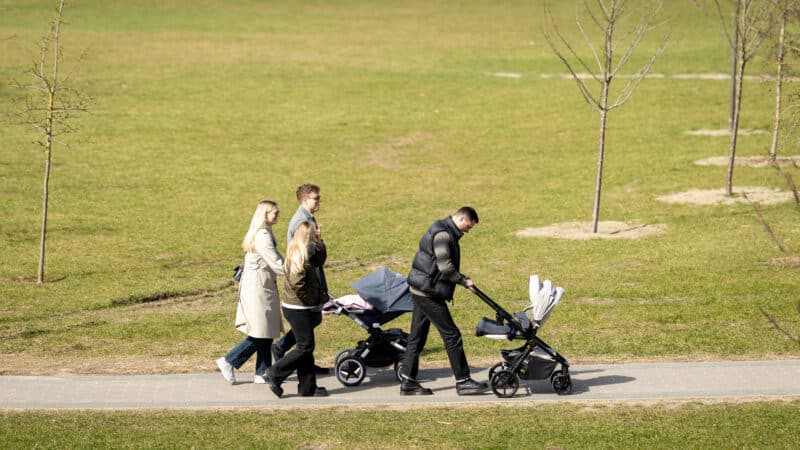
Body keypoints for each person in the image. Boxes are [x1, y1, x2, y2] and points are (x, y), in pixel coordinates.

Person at [399, 206, 489, 396]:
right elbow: (445, 267)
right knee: (452, 335)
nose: (468, 231)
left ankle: (407, 382)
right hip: (428, 292)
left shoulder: (443, 229)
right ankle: (463, 382)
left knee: (417, 337)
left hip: (421, 288)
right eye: (469, 227)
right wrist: (464, 281)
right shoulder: (443, 235)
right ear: (463, 219)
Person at [216, 200, 285, 384]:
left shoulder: (264, 232)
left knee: (266, 330)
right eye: (274, 213)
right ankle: (229, 360)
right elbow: (276, 262)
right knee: (259, 331)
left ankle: (262, 371)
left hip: (262, 287)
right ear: (264, 214)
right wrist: (295, 273)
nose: (278, 215)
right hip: (257, 290)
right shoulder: (262, 236)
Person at [271, 183, 330, 374]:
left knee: (313, 321)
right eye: (316, 197)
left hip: (310, 276)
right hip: (304, 281)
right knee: (309, 323)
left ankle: (305, 363)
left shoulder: (308, 217)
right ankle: (282, 351)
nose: (319, 200)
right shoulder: (301, 221)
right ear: (305, 200)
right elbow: (305, 253)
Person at [267, 221, 329, 397]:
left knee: (306, 347)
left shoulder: (306, 252)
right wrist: (313, 299)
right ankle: (274, 373)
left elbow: (320, 260)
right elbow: (297, 285)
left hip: (302, 307)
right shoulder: (297, 256)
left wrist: (320, 241)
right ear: (306, 237)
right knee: (305, 346)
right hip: (297, 308)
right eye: (313, 235)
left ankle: (307, 388)